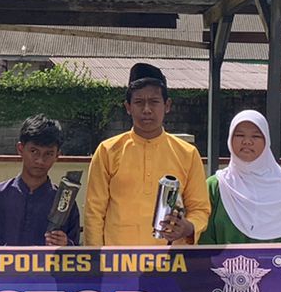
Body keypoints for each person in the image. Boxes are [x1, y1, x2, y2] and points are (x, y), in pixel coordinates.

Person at [82, 62, 211, 246]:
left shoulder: (187, 153)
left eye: (154, 102)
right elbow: (94, 213)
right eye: (139, 102)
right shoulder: (107, 151)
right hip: (119, 262)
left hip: (170, 264)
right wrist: (97, 262)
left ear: (167, 105)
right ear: (128, 107)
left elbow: (200, 209)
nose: (147, 110)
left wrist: (188, 227)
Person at [202, 110, 281, 245]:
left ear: (266, 141)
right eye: (240, 135)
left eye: (256, 136)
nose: (247, 142)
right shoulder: (215, 187)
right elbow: (203, 238)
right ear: (230, 139)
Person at [0, 114, 82, 246]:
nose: (40, 160)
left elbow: (77, 257)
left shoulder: (65, 202)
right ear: (20, 149)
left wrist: (66, 245)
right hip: (3, 266)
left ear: (57, 155)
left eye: (48, 154)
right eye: (34, 151)